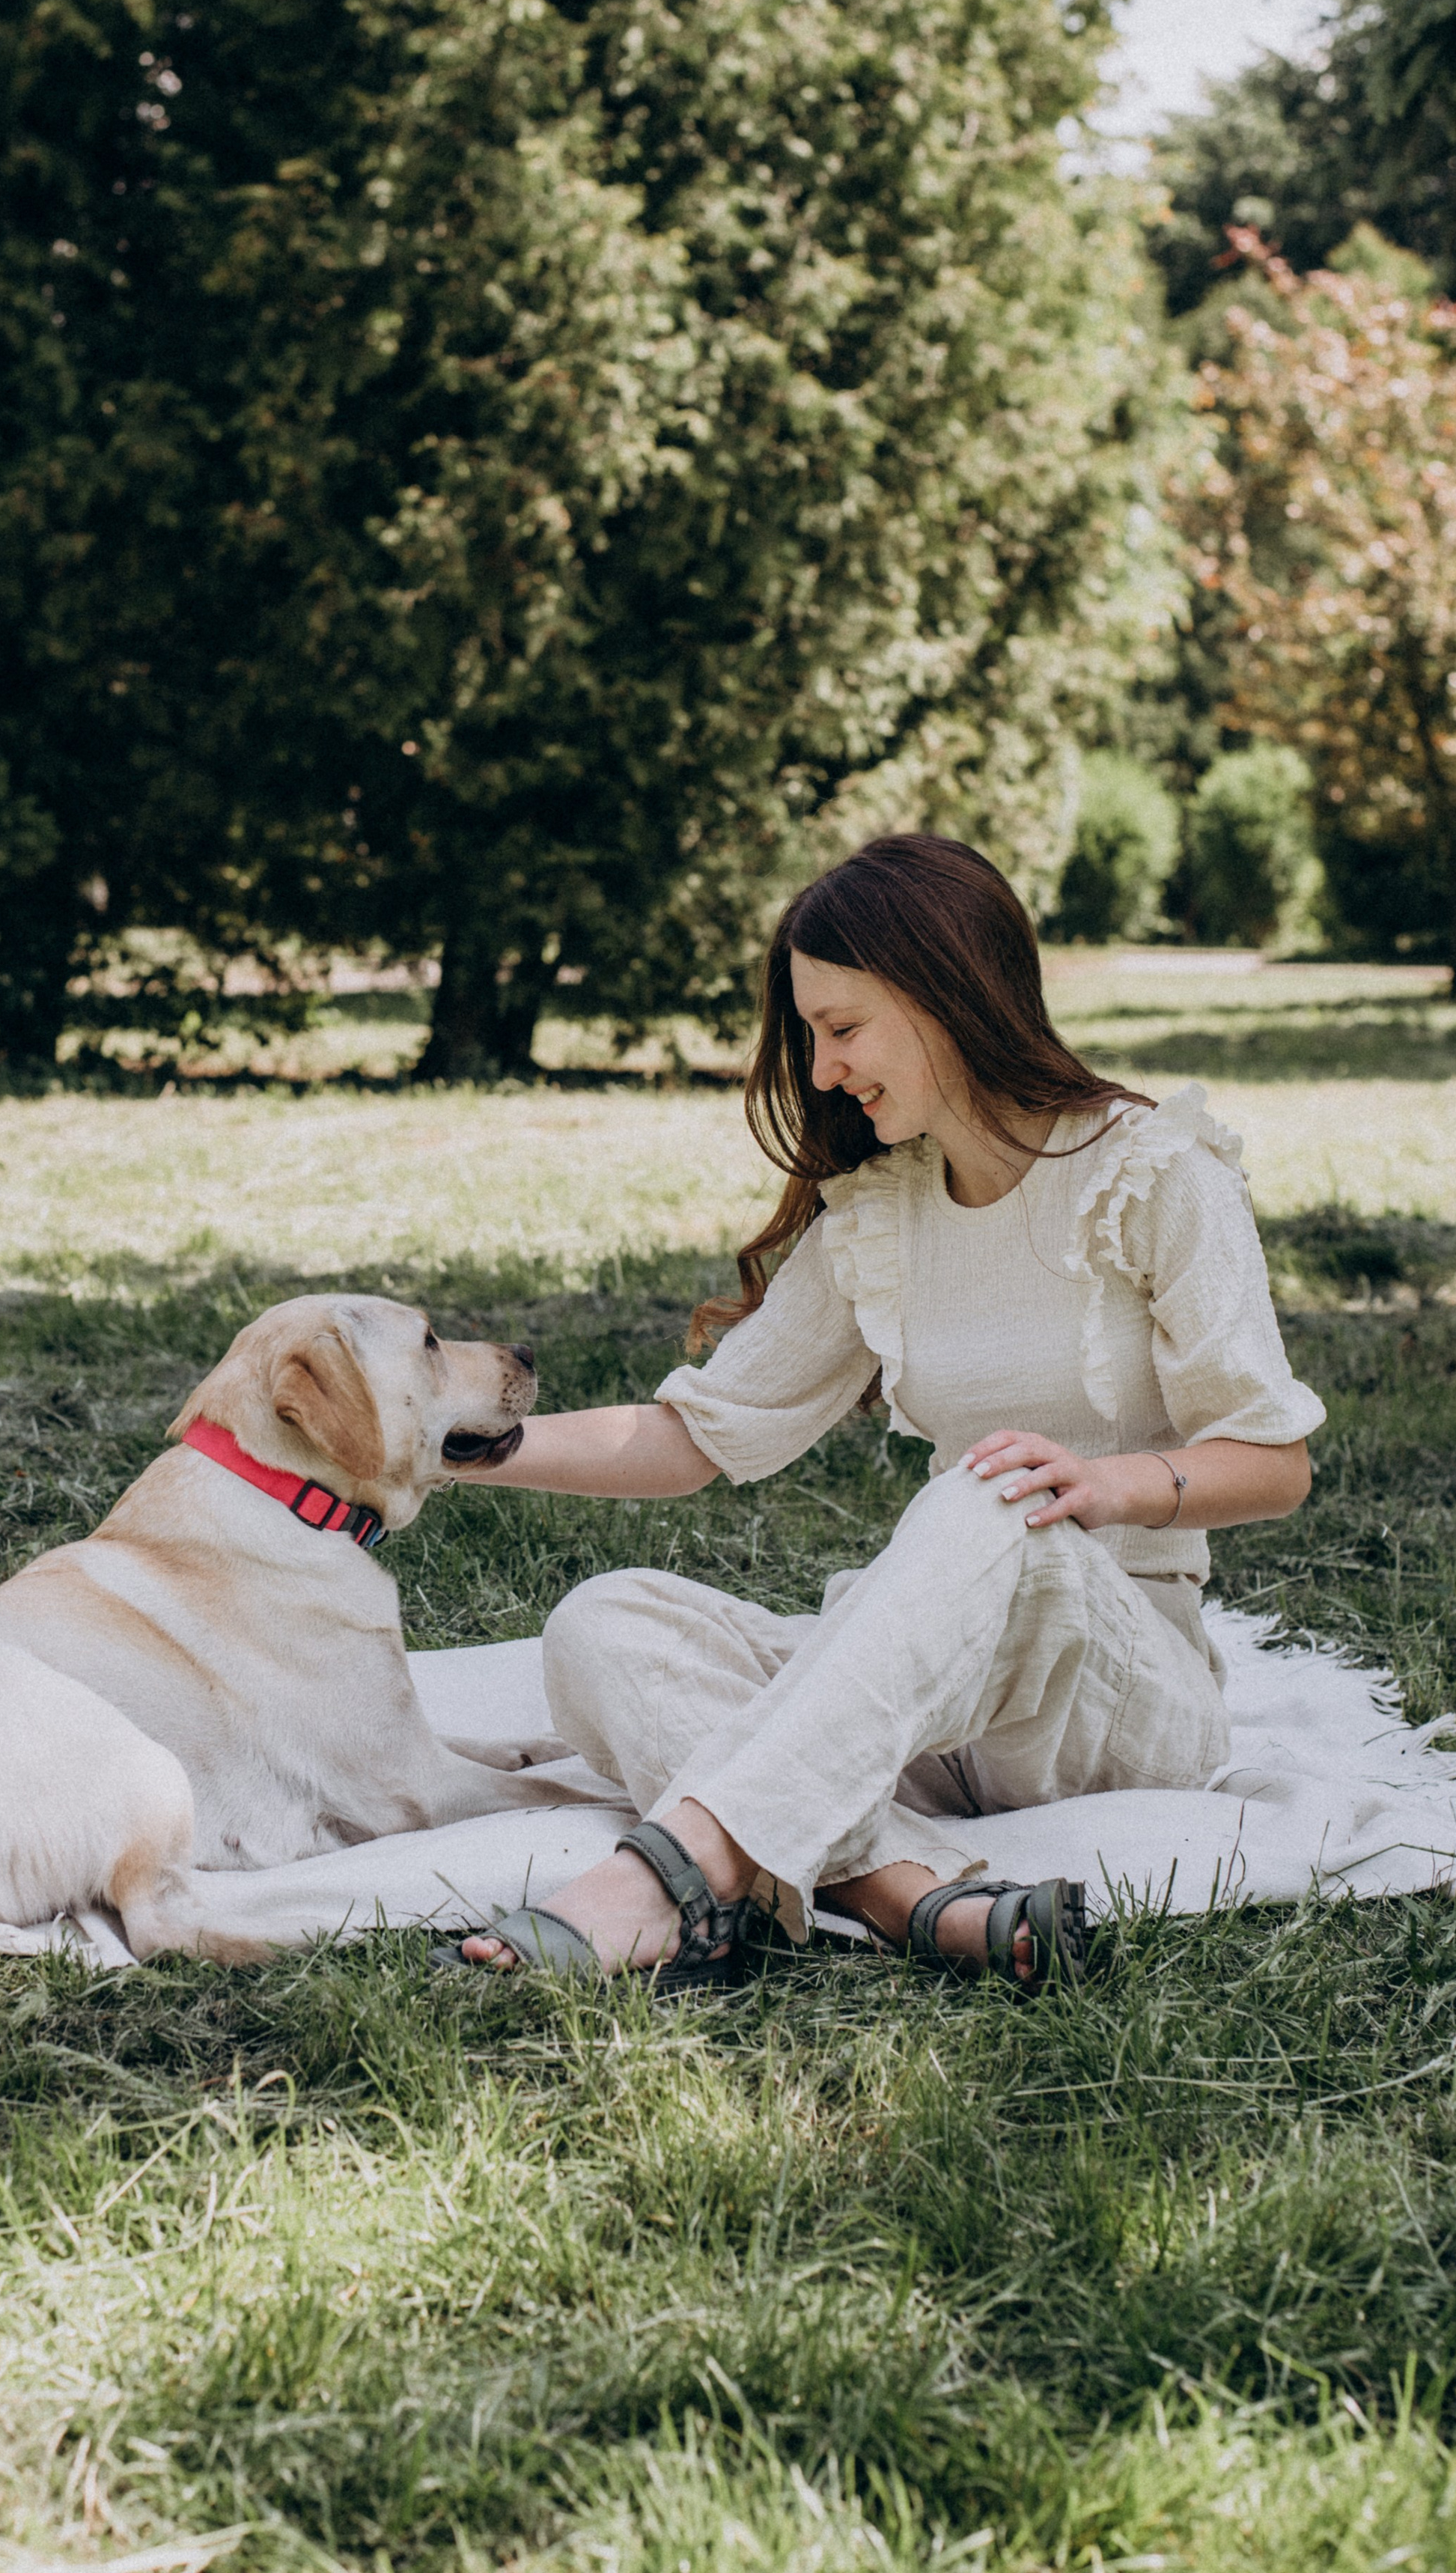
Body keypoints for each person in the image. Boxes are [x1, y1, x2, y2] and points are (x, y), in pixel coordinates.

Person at [439, 834, 1323, 1994]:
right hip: (941, 1713)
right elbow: (696, 1436)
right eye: (809, 1033)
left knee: (986, 1494)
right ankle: (916, 1898)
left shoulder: (1154, 1175)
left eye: (843, 1028)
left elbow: (1276, 1460)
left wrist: (1110, 1485)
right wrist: (451, 1447)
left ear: (949, 992)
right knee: (607, 1625)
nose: (818, 1069)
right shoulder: (880, 1213)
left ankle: (674, 1872)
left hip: (1120, 1704)